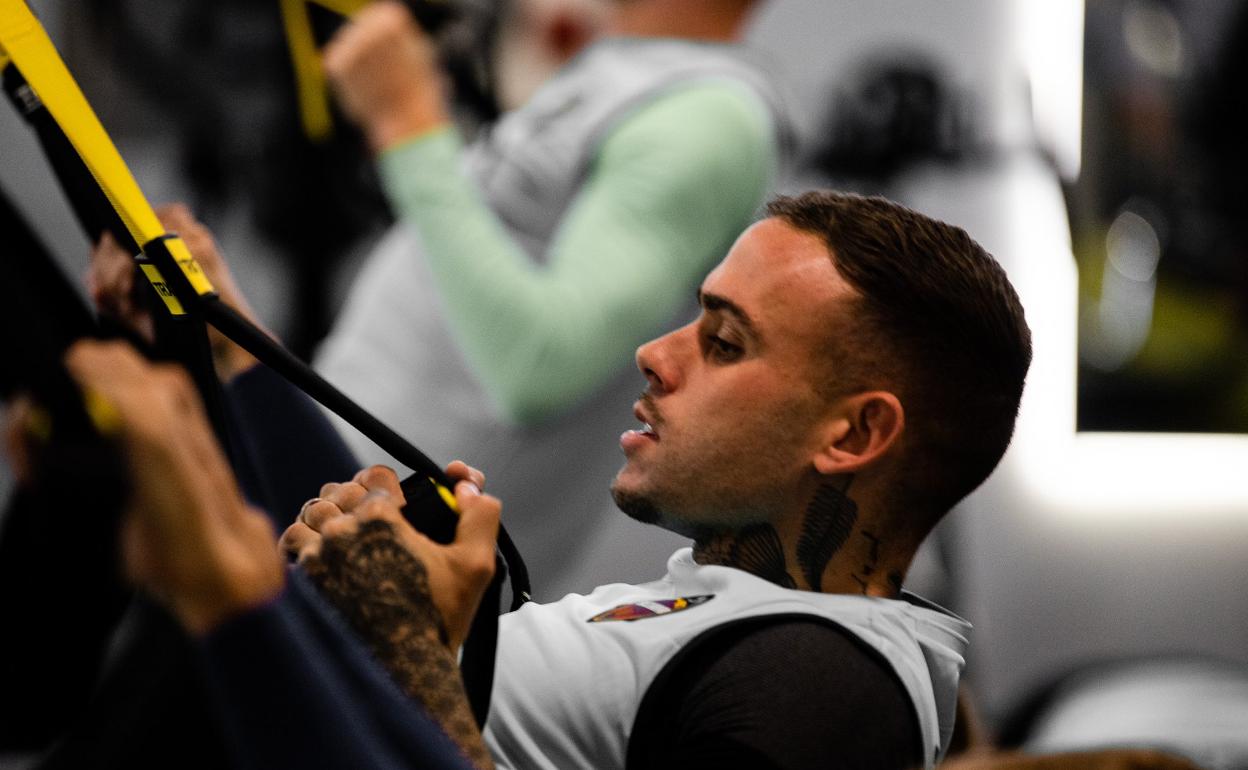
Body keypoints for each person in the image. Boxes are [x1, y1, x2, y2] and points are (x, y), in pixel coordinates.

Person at [61, 190, 1033, 768]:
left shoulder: (825, 684)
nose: (656, 353)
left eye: (724, 341)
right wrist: (230, 340)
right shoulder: (743, 612)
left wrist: (391, 635)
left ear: (854, 431)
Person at [313, 0, 795, 598]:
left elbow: (538, 366)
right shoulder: (629, 68)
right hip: (336, 489)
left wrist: (404, 123)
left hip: (395, 560)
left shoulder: (706, 119)